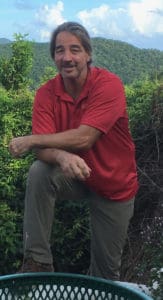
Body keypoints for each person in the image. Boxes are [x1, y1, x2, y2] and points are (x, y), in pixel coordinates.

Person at [9, 21, 138, 280]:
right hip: (76, 176)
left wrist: (32, 140)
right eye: (59, 50)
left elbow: (84, 138)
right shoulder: (46, 93)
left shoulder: (109, 85)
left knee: (105, 274)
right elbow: (45, 151)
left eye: (75, 50)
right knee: (40, 171)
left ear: (88, 55)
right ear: (53, 56)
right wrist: (61, 155)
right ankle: (38, 262)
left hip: (114, 185)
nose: (67, 57)